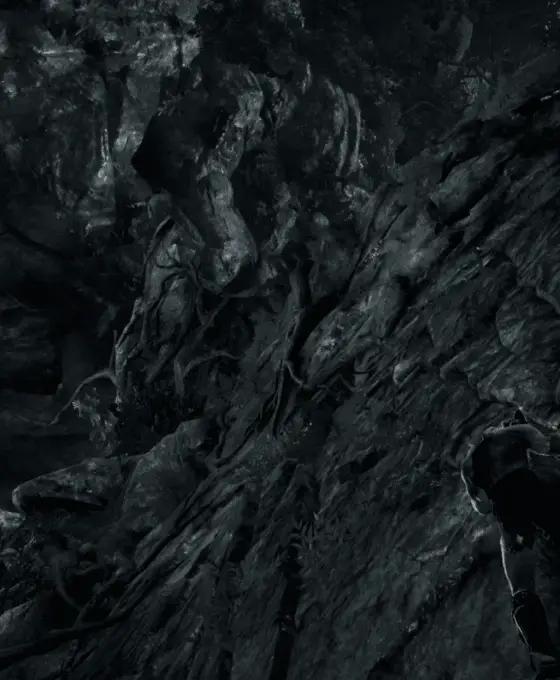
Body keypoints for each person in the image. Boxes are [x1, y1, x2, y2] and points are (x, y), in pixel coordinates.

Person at [461, 418, 560, 680]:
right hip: (535, 490)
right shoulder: (513, 433)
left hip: (507, 508)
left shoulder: (468, 464)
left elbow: (482, 506)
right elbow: (547, 445)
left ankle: (544, 657)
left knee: (521, 586)